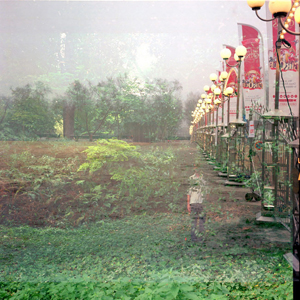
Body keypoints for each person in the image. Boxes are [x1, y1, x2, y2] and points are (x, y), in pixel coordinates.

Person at [187, 172, 206, 242]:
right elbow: (188, 192)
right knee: (193, 221)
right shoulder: (191, 178)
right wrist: (188, 204)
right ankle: (193, 239)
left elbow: (206, 191)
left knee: (202, 221)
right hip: (193, 203)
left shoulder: (204, 178)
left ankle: (201, 238)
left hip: (201, 202)